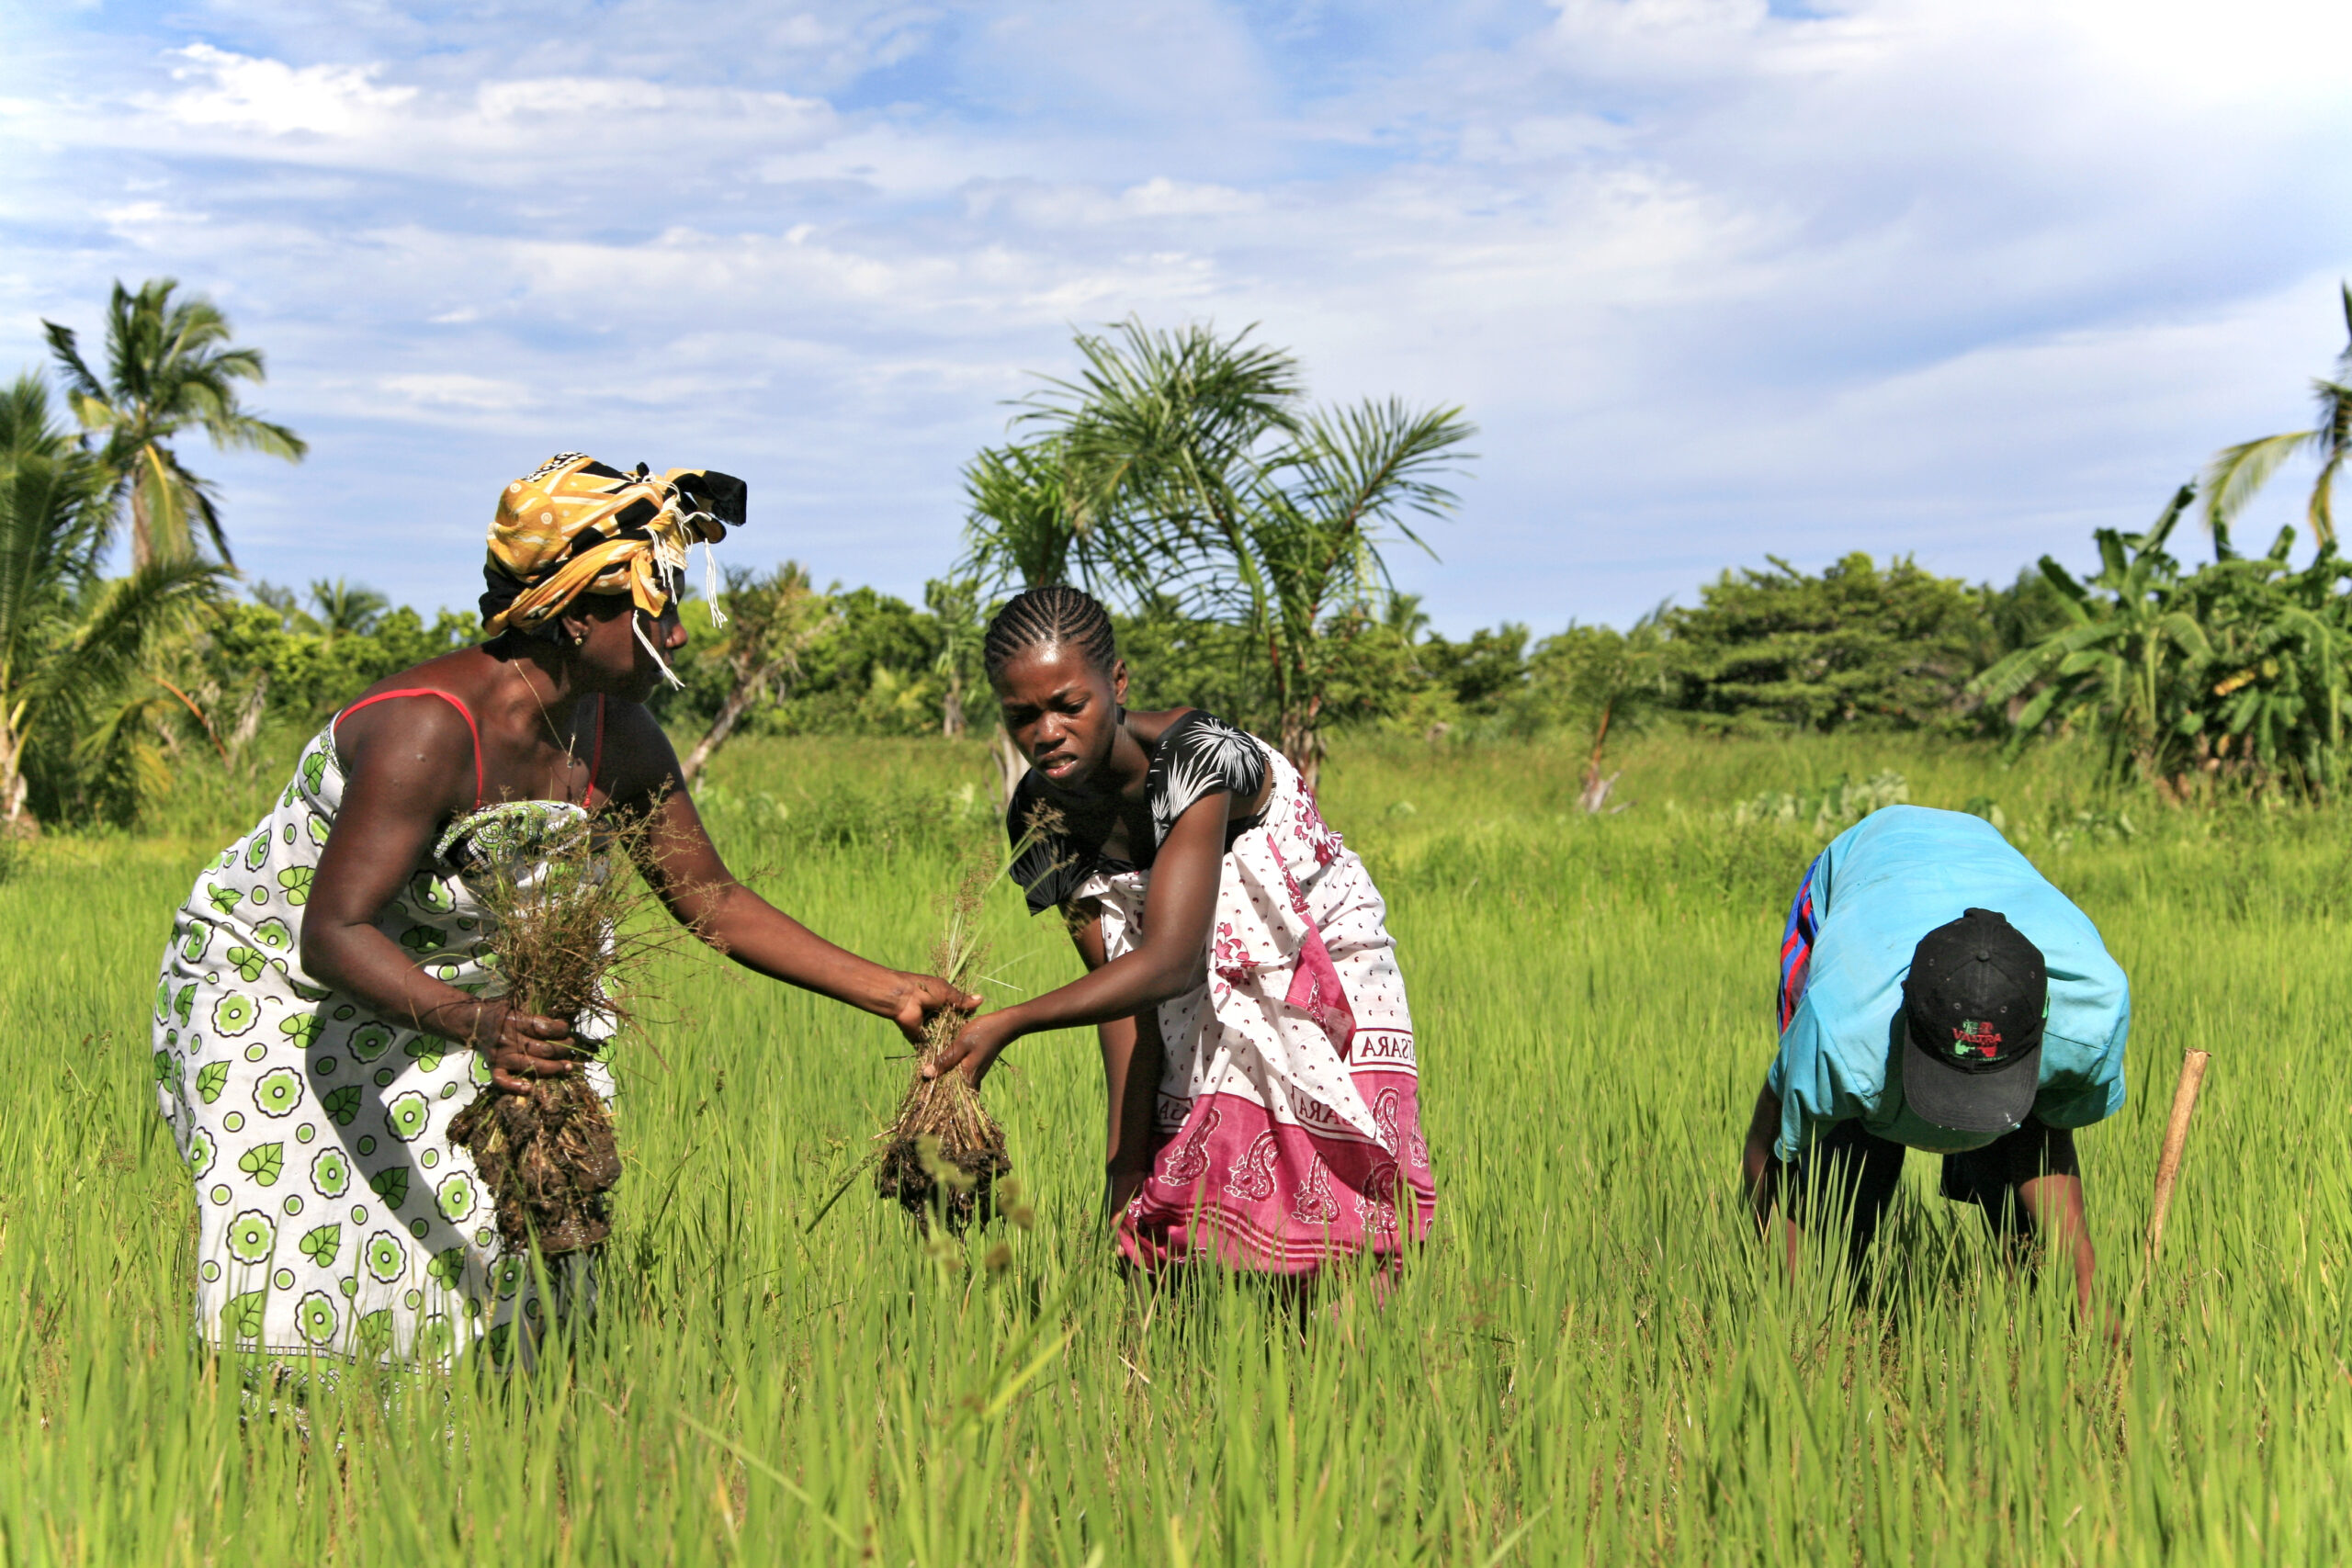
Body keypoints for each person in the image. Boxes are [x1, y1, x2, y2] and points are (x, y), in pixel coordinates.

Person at [153, 452, 974, 1365]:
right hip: (285, 992)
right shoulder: (428, 731)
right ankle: (295, 1458)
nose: (681, 634)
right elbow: (332, 931)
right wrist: (478, 1022)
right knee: (304, 1249)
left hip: (453, 998)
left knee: (473, 1255)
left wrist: (888, 991)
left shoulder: (616, 734)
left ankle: (462, 1456)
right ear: (579, 614)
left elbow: (711, 899)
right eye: (655, 604)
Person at [929, 586, 1434, 1276]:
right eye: (1023, 715)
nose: (1046, 731)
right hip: (1191, 981)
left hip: (1316, 966)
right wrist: (1123, 1176)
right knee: (1186, 1226)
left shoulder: (1195, 755)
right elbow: (1121, 995)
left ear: (1118, 683)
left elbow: (1165, 963)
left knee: (1341, 1230)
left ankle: (1365, 1368)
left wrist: (1008, 1022)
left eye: (1068, 705)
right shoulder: (1039, 818)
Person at [1738, 805, 2131, 1309]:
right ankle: (1845, 1291)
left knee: (2015, 1134)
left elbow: (2046, 1142)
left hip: (1982, 857)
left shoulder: (2090, 1020)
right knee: (1844, 1156)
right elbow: (1769, 1150)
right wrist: (1791, 1303)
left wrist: (2090, 1297)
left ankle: (2028, 1310)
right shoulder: (1839, 1028)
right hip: (1869, 862)